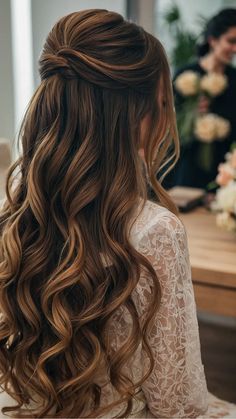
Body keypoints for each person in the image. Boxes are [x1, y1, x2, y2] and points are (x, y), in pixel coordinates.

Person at [0, 9, 235, 419]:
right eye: (162, 103)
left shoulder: (19, 209)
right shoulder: (155, 230)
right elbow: (177, 406)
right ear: (136, 115)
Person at [163, 8, 236, 190]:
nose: (235, 49)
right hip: (188, 166)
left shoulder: (234, 78)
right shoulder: (186, 75)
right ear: (213, 40)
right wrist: (189, 114)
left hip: (224, 169)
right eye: (231, 41)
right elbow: (168, 123)